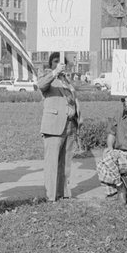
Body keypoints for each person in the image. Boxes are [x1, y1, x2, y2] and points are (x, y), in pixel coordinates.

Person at [38, 52, 81, 202]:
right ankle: (51, 196)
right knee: (52, 163)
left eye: (62, 62)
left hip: (70, 125)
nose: (59, 64)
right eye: (56, 61)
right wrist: (55, 72)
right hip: (54, 125)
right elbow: (41, 85)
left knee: (66, 161)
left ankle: (63, 193)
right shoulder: (47, 76)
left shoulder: (66, 80)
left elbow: (72, 99)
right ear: (50, 64)